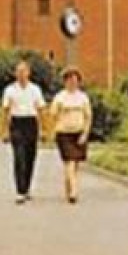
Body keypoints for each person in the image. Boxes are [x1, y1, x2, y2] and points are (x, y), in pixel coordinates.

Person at [0, 61, 46, 203]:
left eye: (24, 71)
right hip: (17, 123)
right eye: (18, 71)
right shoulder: (10, 90)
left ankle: (27, 188)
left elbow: (40, 109)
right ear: (15, 74)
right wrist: (4, 131)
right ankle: (20, 191)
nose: (21, 74)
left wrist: (43, 129)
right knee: (19, 157)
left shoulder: (35, 89)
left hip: (31, 122)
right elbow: (5, 111)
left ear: (28, 73)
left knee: (30, 157)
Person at [49, 67, 92, 204]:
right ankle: (74, 191)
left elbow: (88, 117)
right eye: (69, 80)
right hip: (64, 133)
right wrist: (53, 129)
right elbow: (53, 114)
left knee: (75, 164)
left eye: (75, 80)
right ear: (65, 82)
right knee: (70, 162)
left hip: (78, 133)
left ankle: (69, 189)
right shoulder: (60, 97)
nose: (72, 83)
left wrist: (85, 133)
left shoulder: (83, 97)